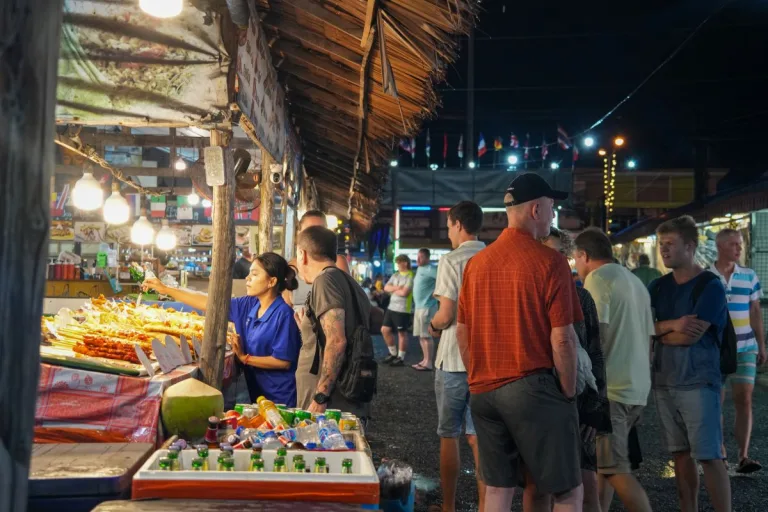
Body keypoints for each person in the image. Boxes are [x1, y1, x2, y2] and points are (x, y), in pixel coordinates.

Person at [457, 172, 584, 512]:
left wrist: (475, 377)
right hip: (531, 388)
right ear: (536, 210)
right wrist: (568, 393)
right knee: (568, 491)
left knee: (498, 490)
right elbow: (563, 339)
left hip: (484, 392)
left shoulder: (476, 264)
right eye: (552, 208)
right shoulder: (551, 262)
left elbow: (462, 331)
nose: (553, 216)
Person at [143, 253, 301, 405]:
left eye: (254, 274)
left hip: (279, 398)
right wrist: (165, 289)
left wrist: (245, 358)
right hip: (258, 394)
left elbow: (283, 362)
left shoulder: (284, 315)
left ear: (271, 282)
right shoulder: (250, 304)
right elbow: (210, 303)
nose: (247, 279)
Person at [650, 215, 731, 512]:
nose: (664, 250)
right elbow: (646, 327)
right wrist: (672, 325)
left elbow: (688, 337)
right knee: (680, 455)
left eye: (670, 244)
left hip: (698, 382)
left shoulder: (709, 286)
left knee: (710, 455)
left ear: (690, 246)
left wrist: (660, 331)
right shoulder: (658, 286)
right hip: (664, 382)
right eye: (662, 244)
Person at [573, 228, 654, 512]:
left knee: (615, 469)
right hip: (636, 389)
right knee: (605, 468)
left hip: (612, 392)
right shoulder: (634, 282)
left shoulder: (597, 280)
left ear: (583, 255)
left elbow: (599, 337)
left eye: (575, 259)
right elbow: (649, 339)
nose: (576, 267)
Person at [540, 227, 609, 512]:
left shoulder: (581, 299)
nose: (551, 260)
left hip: (578, 403)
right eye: (545, 253)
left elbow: (595, 352)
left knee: (585, 485)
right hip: (539, 402)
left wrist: (595, 409)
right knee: (540, 487)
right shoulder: (529, 294)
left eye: (557, 253)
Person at [427, 201, 486, 512]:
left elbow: (446, 314)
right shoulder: (492, 256)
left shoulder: (451, 260)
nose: (449, 233)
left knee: (449, 435)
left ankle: (449, 506)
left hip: (452, 359)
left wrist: (432, 325)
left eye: (449, 226)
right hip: (486, 361)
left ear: (459, 225)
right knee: (480, 439)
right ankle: (485, 506)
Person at [294, 225, 372, 418]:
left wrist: (321, 396)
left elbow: (337, 341)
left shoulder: (325, 281)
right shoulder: (348, 281)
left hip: (331, 402)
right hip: (346, 393)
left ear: (302, 254)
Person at [710, 228, 765, 473]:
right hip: (716, 349)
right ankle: (719, 452)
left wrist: (762, 345)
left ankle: (743, 455)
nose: (739, 249)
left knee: (744, 399)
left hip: (745, 346)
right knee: (716, 401)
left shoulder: (749, 276)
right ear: (720, 246)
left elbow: (755, 311)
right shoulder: (707, 276)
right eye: (734, 244)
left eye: (740, 244)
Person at [284, 210, 350, 313]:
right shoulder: (292, 267)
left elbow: (347, 301)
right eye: (310, 230)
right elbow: (286, 307)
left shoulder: (337, 262)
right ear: (299, 233)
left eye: (321, 230)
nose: (316, 236)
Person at [381, 255, 415, 367]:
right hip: (391, 307)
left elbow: (405, 293)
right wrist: (397, 288)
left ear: (405, 263)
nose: (398, 265)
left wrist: (393, 289)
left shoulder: (410, 276)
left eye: (399, 263)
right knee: (385, 330)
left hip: (403, 309)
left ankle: (401, 357)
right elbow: (386, 288)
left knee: (402, 333)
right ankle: (393, 353)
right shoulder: (396, 274)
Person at [412, 248, 438, 371]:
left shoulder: (431, 269)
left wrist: (436, 294)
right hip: (418, 307)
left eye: (421, 257)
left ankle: (429, 362)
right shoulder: (420, 269)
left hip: (427, 307)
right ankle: (424, 360)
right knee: (420, 336)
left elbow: (442, 281)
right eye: (417, 256)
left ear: (427, 258)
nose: (418, 259)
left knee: (426, 335)